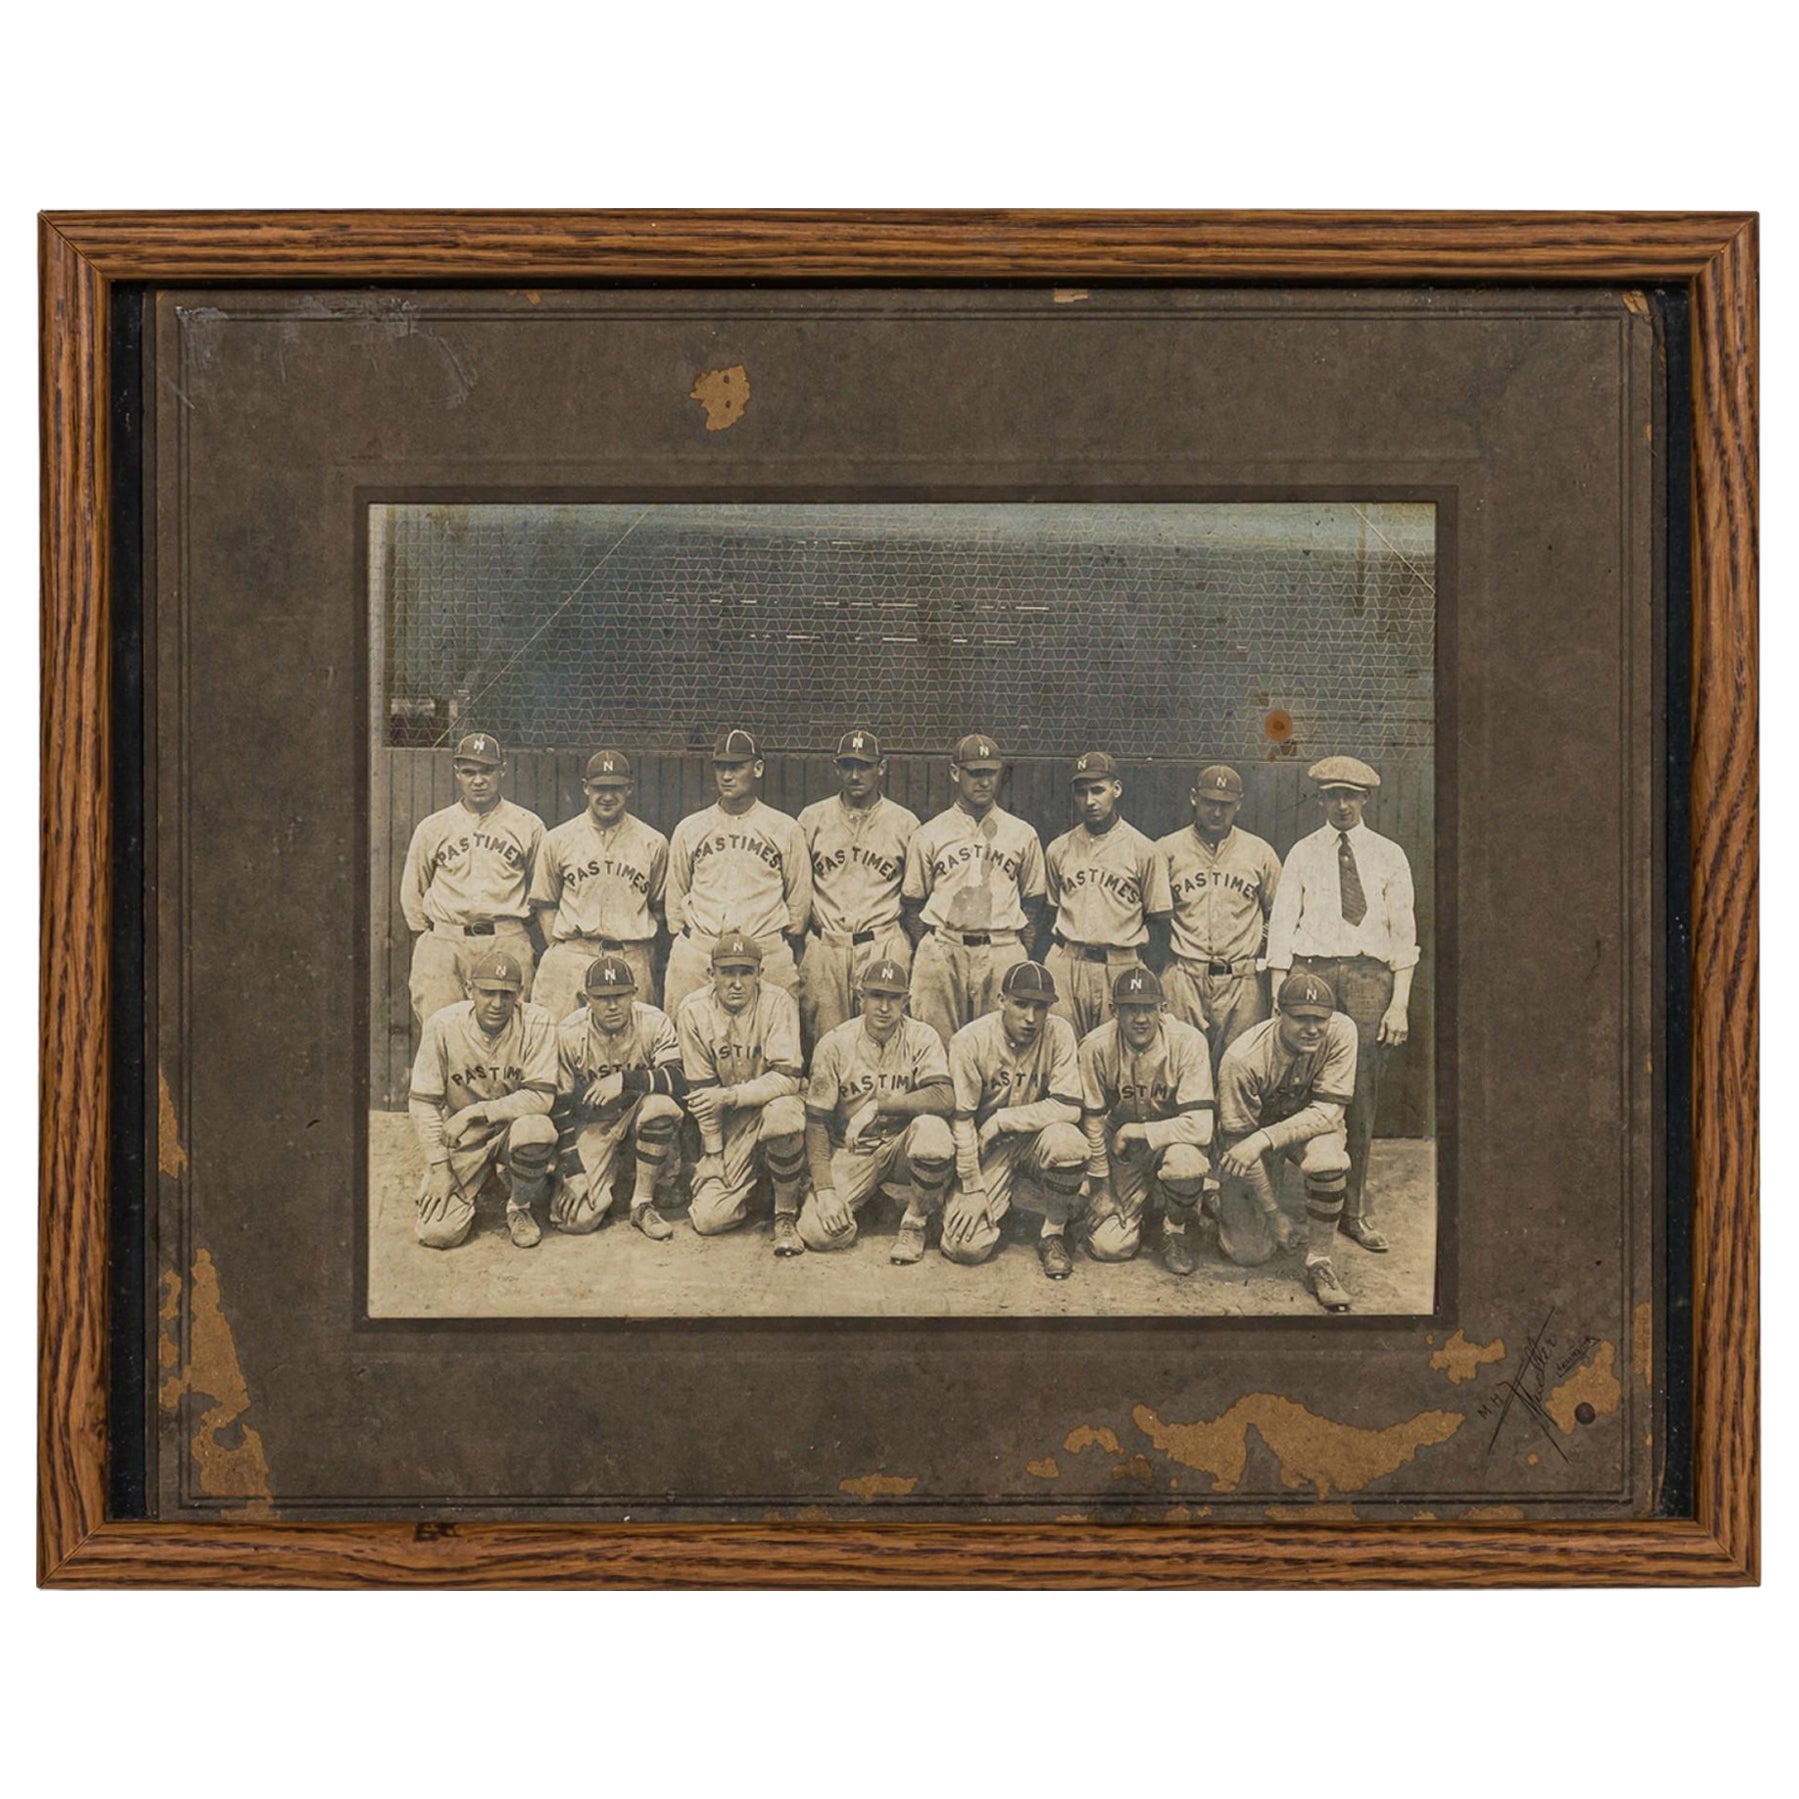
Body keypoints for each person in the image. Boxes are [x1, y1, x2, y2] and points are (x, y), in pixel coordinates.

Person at [1265, 755, 1418, 1254]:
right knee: (1295, 1086)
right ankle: (1280, 1205)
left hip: (1369, 979)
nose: (1342, 804)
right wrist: (1279, 993)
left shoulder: (1389, 854)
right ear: (1322, 800)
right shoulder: (1303, 852)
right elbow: (1281, 925)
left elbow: (1404, 935)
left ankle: (1352, 1211)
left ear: (1365, 799)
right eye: (1333, 795)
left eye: (1350, 795)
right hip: (1311, 974)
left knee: (1360, 1094)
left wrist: (1399, 1005)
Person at [1213, 970, 1359, 1311]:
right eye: (1301, 1018)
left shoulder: (1342, 1031)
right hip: (1252, 1140)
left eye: (1319, 1018)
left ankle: (1320, 1262)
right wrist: (1274, 1213)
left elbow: (1328, 1113)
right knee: (1249, 1253)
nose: (1312, 1028)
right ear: (1278, 1013)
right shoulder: (1242, 1058)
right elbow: (1241, 1144)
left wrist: (1265, 1138)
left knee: (1328, 1161)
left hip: (1299, 1130)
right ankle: (1220, 1199)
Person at [798, 957, 957, 1262]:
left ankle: (915, 1222)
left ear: (906, 1000)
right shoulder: (835, 1043)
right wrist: (826, 1189)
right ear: (861, 997)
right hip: (853, 1151)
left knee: (933, 1131)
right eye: (876, 996)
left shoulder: (922, 1036)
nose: (884, 1007)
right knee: (818, 1233)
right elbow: (816, 1122)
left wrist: (876, 1107)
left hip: (901, 1147)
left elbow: (943, 1096)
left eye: (893, 998)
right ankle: (871, 1201)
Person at [901, 733, 1048, 1049]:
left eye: (991, 773)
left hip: (1000, 945)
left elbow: (1033, 901)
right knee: (935, 1043)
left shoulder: (1022, 833)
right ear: (956, 773)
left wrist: (1018, 948)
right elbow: (913, 902)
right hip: (944, 947)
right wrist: (932, 946)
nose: (984, 782)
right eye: (975, 773)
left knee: (997, 1046)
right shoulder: (930, 832)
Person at [944, 960, 1087, 1279]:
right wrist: (972, 1187)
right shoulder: (970, 1040)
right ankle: (992, 1202)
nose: (1031, 1017)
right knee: (965, 1247)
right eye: (1021, 1004)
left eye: (1041, 1007)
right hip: (987, 1149)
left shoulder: (1059, 1031)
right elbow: (961, 1120)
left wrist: (1003, 1120)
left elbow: (1069, 1106)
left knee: (1068, 1143)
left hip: (1034, 1141)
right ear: (1001, 1000)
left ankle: (1053, 1233)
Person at [407, 950, 559, 1250]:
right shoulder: (442, 1025)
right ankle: (484, 1181)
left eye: (506, 994)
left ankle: (519, 1206)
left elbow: (541, 1097)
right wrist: (439, 1167)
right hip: (465, 1138)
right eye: (488, 992)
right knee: (437, 1233)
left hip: (514, 1127)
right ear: (469, 989)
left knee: (537, 1130)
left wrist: (475, 1111)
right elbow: (423, 1103)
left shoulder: (538, 1022)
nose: (497, 1003)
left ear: (520, 993)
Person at [399, 732, 545, 1027]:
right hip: (446, 942)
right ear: (457, 773)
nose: (478, 780)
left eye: (487, 770)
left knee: (510, 1033)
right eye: (469, 772)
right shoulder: (434, 826)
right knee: (441, 1031)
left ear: (502, 770)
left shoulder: (527, 824)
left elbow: (542, 890)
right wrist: (431, 938)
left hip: (504, 938)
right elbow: (412, 891)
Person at [677, 931, 810, 1254]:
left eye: (746, 972)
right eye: (727, 972)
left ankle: (785, 1214)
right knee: (708, 1219)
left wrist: (730, 1096)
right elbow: (702, 1093)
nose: (736, 983)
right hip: (730, 1120)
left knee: (783, 1116)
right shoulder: (693, 1009)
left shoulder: (778, 1001)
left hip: (774, 1104)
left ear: (759, 973)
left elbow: (787, 1079)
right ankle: (764, 1186)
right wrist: (713, 1154)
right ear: (711, 974)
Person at [664, 728, 812, 1017]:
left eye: (736, 767)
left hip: (763, 950)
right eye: (721, 767)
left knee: (776, 1032)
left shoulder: (784, 828)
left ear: (757, 768)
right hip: (701, 950)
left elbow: (798, 905)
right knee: (685, 1031)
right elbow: (675, 900)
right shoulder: (691, 827)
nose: (727, 776)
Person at [1079, 967, 1216, 1275]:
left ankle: (1174, 1228)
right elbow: (1093, 1122)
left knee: (1186, 1164)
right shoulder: (1095, 1046)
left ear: (1163, 1009)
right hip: (1123, 1152)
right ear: (1114, 1010)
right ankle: (1149, 1211)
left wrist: (1137, 1130)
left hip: (1171, 1142)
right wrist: (1102, 1188)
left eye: (1148, 1008)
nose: (1140, 1018)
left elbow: (1200, 1126)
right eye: (1130, 1009)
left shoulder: (1188, 1041)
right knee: (1110, 1247)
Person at [796, 729, 920, 1051]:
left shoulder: (905, 822)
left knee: (886, 1041)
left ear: (881, 768)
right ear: (836, 768)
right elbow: (798, 890)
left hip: (881, 942)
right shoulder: (812, 818)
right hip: (827, 945)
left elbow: (914, 896)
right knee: (825, 1045)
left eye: (864, 766)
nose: (855, 775)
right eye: (848, 765)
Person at [1156, 764, 1282, 1077]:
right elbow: (1153, 914)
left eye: (1225, 804)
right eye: (1209, 802)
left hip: (1241, 980)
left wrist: (1253, 943)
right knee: (1180, 1066)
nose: (1216, 811)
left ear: (1239, 804)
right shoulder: (1167, 849)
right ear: (1194, 798)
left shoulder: (1259, 852)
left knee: (1239, 1068)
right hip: (1185, 974)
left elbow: (1279, 914)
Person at [550, 954, 687, 1241]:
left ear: (634, 993)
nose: (612, 1005)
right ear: (586, 998)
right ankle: (614, 1183)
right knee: (578, 1220)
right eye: (602, 997)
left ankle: (642, 1203)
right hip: (594, 1124)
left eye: (620, 995)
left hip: (638, 1113)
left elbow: (678, 1079)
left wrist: (624, 1080)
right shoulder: (568, 1033)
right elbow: (558, 1106)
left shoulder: (653, 1021)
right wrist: (573, 1169)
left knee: (661, 1107)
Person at [529, 748, 669, 1025]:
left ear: (629, 788)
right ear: (585, 787)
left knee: (633, 1039)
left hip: (630, 954)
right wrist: (564, 949)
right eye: (600, 788)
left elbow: (659, 907)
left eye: (616, 788)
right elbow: (545, 904)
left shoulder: (653, 842)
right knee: (556, 1037)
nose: (607, 796)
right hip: (573, 955)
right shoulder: (558, 839)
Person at [1042, 750, 1174, 1039]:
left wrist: (1142, 969)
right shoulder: (1058, 848)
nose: (1089, 801)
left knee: (1115, 1049)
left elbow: (1160, 922)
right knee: (1062, 1044)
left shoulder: (1144, 849)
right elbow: (1050, 912)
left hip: (1120, 963)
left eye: (1097, 790)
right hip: (1068, 962)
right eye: (1081, 792)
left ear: (1116, 789)